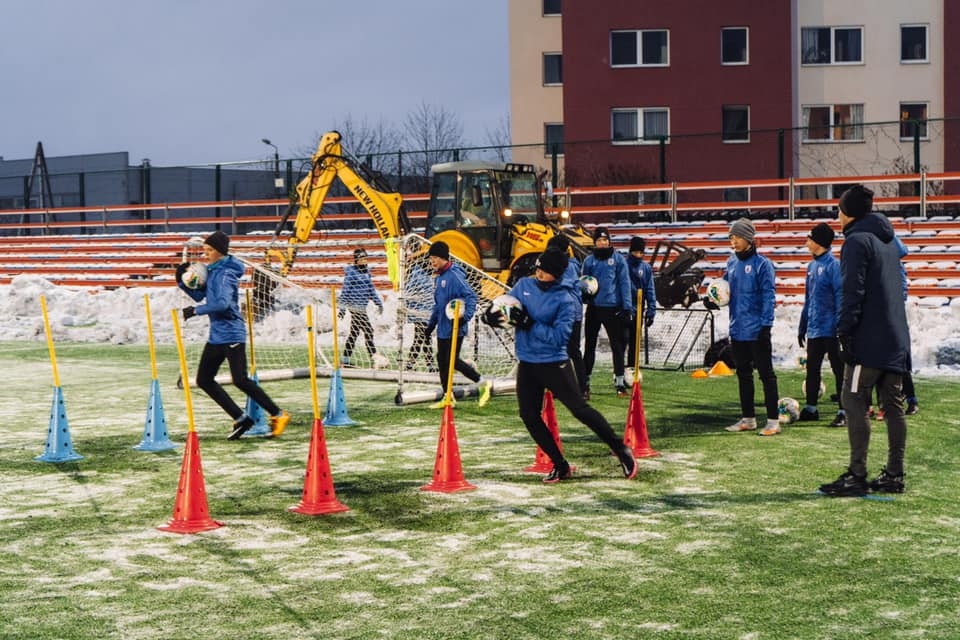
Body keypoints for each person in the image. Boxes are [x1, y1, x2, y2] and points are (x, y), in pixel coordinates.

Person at [482, 249, 637, 483]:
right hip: (528, 362)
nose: (539, 273)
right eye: (538, 268)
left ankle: (621, 449)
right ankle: (560, 464)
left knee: (580, 410)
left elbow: (559, 338)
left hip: (554, 363)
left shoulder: (565, 298)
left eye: (544, 271)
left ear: (556, 274)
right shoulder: (524, 284)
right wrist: (490, 315)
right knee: (529, 415)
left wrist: (528, 323)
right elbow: (505, 307)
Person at [819, 185, 911, 497]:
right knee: (893, 406)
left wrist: (844, 331)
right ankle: (894, 475)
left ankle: (857, 475)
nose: (838, 214)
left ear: (848, 212)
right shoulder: (888, 241)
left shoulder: (856, 241)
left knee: (854, 399)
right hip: (896, 337)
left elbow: (852, 291)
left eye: (840, 209)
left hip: (869, 341)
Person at [176, 231, 290, 440]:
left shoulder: (226, 273)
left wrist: (195, 311)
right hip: (217, 336)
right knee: (204, 379)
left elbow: (222, 303)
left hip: (232, 334)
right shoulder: (212, 270)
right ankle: (241, 419)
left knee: (240, 380)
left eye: (210, 250)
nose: (206, 254)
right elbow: (202, 295)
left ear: (220, 251)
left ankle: (278, 414)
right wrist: (183, 282)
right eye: (205, 250)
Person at [713, 218, 782, 436]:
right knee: (743, 374)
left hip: (757, 330)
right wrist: (712, 298)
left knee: (766, 375)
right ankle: (748, 418)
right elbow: (723, 289)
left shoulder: (763, 264)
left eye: (735, 237)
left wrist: (766, 326)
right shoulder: (731, 263)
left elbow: (768, 297)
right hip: (738, 328)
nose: (732, 241)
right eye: (730, 238)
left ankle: (773, 421)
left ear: (747, 238)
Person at [424, 240, 493, 407]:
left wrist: (465, 317)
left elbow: (471, 297)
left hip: (455, 328)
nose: (431, 262)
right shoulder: (439, 278)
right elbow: (438, 305)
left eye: (434, 258)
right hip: (443, 328)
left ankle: (483, 382)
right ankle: (448, 397)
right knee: (442, 359)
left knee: (452, 360)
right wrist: (431, 325)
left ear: (442, 257)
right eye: (430, 259)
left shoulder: (454, 275)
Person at [797, 222, 845, 427]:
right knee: (812, 369)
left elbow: (840, 297)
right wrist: (803, 324)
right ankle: (811, 408)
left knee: (839, 369)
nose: (807, 242)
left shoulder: (834, 266)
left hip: (831, 329)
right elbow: (808, 299)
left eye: (810, 238)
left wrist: (840, 326)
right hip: (815, 328)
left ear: (819, 242)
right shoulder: (811, 266)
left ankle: (844, 409)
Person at [581, 226, 633, 397]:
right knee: (589, 346)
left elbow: (625, 284)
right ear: (595, 242)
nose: (602, 243)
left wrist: (627, 307)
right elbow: (583, 282)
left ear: (609, 241)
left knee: (617, 347)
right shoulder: (589, 261)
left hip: (612, 309)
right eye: (599, 240)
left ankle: (619, 383)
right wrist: (585, 297)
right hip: (594, 309)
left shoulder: (618, 260)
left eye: (605, 240)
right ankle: (585, 384)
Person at [546, 234, 588, 398]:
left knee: (572, 351)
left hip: (570, 314)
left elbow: (566, 285)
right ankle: (565, 387)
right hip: (562, 313)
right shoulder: (566, 265)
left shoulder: (568, 267)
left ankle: (582, 388)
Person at [340, 248, 383, 367]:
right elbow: (345, 291)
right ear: (356, 261)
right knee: (369, 331)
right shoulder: (351, 274)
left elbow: (371, 290)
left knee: (354, 333)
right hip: (354, 307)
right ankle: (374, 358)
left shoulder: (367, 273)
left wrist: (378, 302)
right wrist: (342, 309)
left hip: (362, 308)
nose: (365, 261)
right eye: (362, 259)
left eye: (366, 258)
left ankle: (345, 360)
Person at [624, 236, 657, 384]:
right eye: (636, 252)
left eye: (641, 253)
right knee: (622, 340)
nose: (638, 255)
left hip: (639, 308)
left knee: (635, 341)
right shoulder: (623, 265)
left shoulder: (646, 268)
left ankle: (631, 368)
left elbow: (650, 289)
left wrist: (651, 310)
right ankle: (619, 372)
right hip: (624, 308)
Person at [403, 249, 437, 372]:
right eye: (430, 260)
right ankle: (428, 365)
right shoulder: (416, 273)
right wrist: (416, 300)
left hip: (427, 312)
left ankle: (411, 365)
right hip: (419, 312)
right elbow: (409, 291)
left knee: (423, 338)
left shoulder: (429, 275)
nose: (432, 263)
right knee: (422, 338)